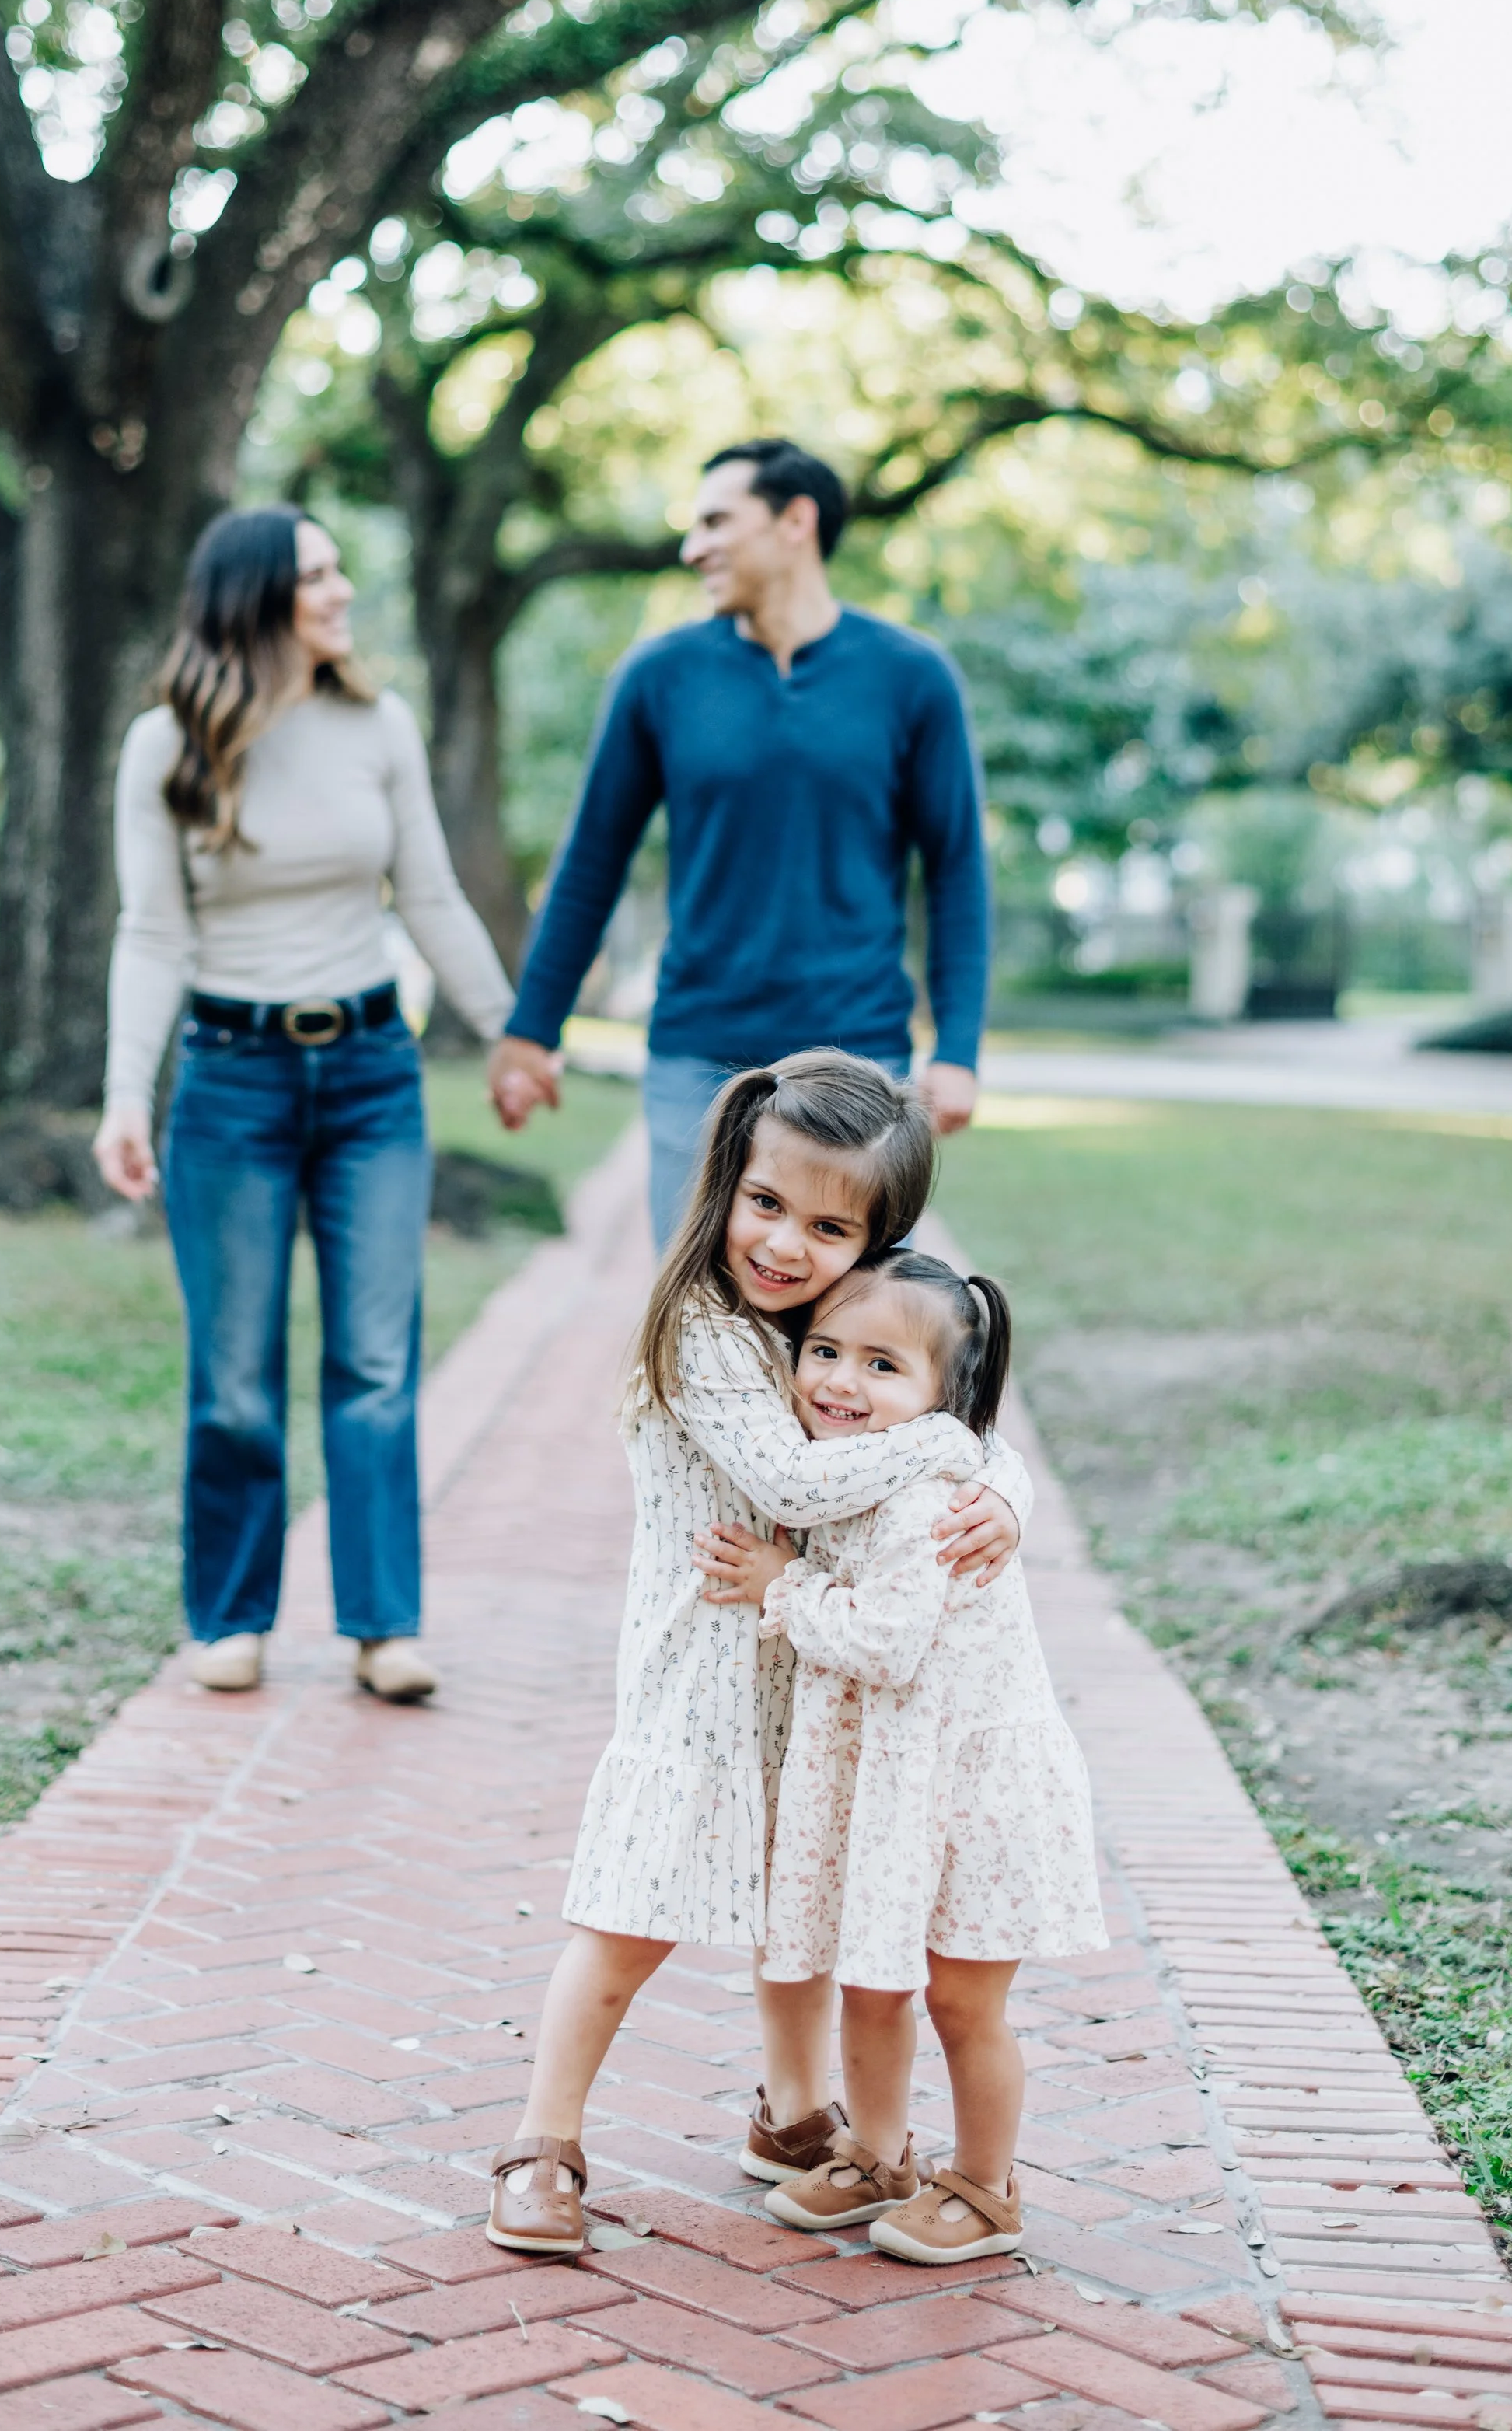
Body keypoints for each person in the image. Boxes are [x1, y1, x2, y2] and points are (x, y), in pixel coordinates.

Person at [483, 1054, 1030, 2258]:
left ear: (878, 1235)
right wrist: (959, 1458)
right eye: (767, 1203)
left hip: (821, 1681)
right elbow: (791, 1478)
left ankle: (793, 2121)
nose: (786, 1243)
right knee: (629, 1915)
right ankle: (542, 2140)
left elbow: (958, 1398)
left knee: (805, 1917)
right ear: (726, 1180)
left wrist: (1004, 1484)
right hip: (703, 1678)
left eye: (831, 1226)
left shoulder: (835, 1330)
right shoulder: (700, 1329)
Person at [92, 505, 515, 1700]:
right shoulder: (163, 746)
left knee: (376, 1363)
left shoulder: (377, 723)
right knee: (234, 1373)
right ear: (254, 599)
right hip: (231, 1082)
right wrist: (128, 1092)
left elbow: (430, 895)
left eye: (338, 570)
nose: (340, 593)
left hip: (374, 1074)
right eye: (316, 576)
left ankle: (384, 1626)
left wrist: (510, 1031)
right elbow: (152, 933)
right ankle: (232, 1616)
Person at [704, 1249, 1104, 2269]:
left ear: (942, 1398)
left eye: (883, 1365)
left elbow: (886, 1641)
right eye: (827, 1351)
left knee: (964, 1997)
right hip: (892, 1779)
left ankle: (987, 2182)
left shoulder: (930, 1490)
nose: (840, 1381)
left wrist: (781, 1586)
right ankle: (878, 2155)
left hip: (968, 1786)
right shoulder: (847, 1471)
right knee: (873, 1981)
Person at [484, 438, 990, 1240]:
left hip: (857, 1060)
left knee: (845, 1322)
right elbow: (590, 863)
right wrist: (530, 1032)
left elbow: (957, 869)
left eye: (717, 522)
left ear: (796, 521)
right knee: (693, 1326)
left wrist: (957, 1046)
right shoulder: (658, 676)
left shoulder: (911, 676)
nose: (693, 549)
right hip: (700, 1056)